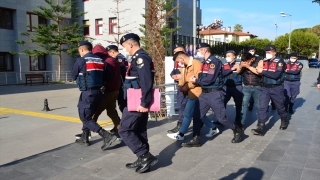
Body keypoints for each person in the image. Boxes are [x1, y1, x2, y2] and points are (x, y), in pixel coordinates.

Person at [118, 33, 157, 173]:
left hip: (138, 101)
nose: (125, 49)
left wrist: (144, 103)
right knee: (139, 130)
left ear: (130, 44)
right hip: (137, 99)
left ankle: (144, 155)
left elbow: (146, 81)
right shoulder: (138, 57)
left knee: (124, 129)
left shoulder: (141, 58)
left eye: (124, 46)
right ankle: (143, 159)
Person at [189, 43, 243, 143]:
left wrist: (196, 81)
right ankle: (195, 139)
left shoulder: (214, 62)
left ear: (204, 50)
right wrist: (231, 70)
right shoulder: (205, 62)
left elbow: (210, 79)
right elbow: (221, 73)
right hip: (204, 94)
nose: (197, 52)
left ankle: (237, 129)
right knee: (197, 116)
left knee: (221, 118)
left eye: (199, 50)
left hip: (214, 94)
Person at [167, 51, 218, 147]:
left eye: (178, 61)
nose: (178, 64)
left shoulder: (196, 64)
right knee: (199, 114)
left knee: (187, 114)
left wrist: (186, 86)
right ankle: (213, 127)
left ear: (182, 59)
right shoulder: (184, 66)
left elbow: (199, 80)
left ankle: (181, 134)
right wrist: (181, 86)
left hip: (197, 93)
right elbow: (182, 79)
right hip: (190, 93)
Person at [71, 41, 117, 149]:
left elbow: (73, 76)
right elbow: (109, 75)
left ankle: (106, 135)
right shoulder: (100, 60)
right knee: (89, 114)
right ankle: (85, 137)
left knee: (85, 117)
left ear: (81, 49)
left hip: (88, 93)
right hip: (99, 93)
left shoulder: (81, 60)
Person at [252, 45, 288, 136]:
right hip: (264, 87)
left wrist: (262, 71)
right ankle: (261, 127)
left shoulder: (280, 62)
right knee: (262, 107)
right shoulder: (264, 61)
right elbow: (258, 71)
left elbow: (276, 75)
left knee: (280, 106)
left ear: (274, 52)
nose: (267, 54)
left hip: (276, 88)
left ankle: (284, 119)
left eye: (269, 52)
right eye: (266, 52)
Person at [91, 45, 121, 138]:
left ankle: (87, 133)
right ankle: (119, 130)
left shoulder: (105, 61)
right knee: (111, 111)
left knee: (94, 112)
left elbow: (104, 76)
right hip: (115, 90)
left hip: (107, 91)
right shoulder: (112, 59)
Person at [237, 52, 263, 129]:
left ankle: (260, 122)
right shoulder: (244, 61)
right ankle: (241, 123)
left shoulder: (260, 61)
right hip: (246, 86)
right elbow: (238, 72)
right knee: (244, 105)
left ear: (252, 59)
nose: (245, 63)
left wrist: (248, 66)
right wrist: (241, 66)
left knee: (258, 105)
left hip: (257, 86)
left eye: (247, 61)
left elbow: (260, 73)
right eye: (244, 62)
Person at [167, 43, 188, 133]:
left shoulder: (190, 61)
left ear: (183, 51)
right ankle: (180, 125)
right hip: (180, 87)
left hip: (188, 88)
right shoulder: (177, 62)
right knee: (181, 106)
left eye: (177, 51)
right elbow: (173, 72)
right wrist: (173, 76)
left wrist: (182, 76)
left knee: (188, 107)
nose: (175, 53)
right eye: (174, 51)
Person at [222, 50, 243, 129]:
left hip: (237, 86)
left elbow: (242, 74)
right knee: (222, 103)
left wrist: (238, 68)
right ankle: (222, 119)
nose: (227, 57)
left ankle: (238, 120)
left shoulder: (239, 64)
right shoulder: (224, 65)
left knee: (238, 104)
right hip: (226, 86)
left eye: (229, 55)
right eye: (226, 56)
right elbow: (222, 73)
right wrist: (231, 69)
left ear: (234, 56)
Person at [106, 45, 128, 113]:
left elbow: (121, 72)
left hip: (122, 84)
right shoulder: (121, 57)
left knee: (122, 103)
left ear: (112, 52)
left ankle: (126, 120)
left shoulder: (119, 59)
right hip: (123, 83)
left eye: (108, 53)